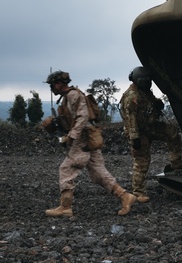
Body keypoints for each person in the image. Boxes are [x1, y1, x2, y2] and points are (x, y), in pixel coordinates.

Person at [43, 70, 136, 217]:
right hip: (86, 136)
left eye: (52, 85)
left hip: (83, 138)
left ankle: (65, 207)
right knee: (98, 172)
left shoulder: (73, 95)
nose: (51, 89)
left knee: (66, 168)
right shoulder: (67, 97)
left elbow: (83, 116)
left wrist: (71, 136)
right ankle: (125, 196)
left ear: (58, 84)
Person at [119, 66, 182, 203]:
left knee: (173, 132)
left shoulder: (144, 91)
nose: (149, 82)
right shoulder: (132, 97)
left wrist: (158, 104)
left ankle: (176, 161)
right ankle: (138, 193)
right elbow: (131, 119)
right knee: (142, 161)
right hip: (138, 132)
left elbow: (153, 101)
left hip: (149, 126)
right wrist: (135, 138)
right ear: (141, 80)